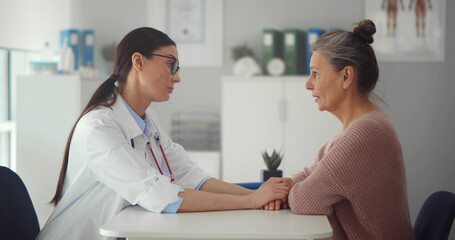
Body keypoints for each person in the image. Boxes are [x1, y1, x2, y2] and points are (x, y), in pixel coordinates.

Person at [36, 27, 291, 240]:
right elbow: (163, 197)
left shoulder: (148, 120)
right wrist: (252, 201)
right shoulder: (99, 128)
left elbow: (191, 177)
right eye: (171, 65)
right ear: (138, 61)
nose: (177, 78)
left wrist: (257, 195)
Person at [263, 20, 415, 239]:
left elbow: (304, 200)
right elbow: (309, 173)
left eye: (315, 73)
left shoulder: (365, 134)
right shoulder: (363, 125)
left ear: (346, 77)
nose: (308, 84)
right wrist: (286, 186)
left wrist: (283, 192)